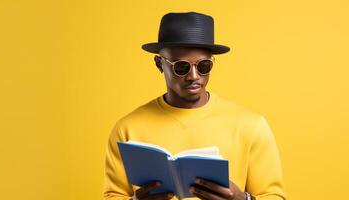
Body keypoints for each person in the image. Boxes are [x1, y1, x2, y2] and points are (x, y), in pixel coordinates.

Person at [103, 12, 287, 200]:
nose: (193, 76)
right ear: (159, 64)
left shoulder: (251, 125)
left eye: (204, 66)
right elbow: (113, 196)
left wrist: (243, 199)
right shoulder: (127, 129)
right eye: (181, 67)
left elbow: (274, 196)